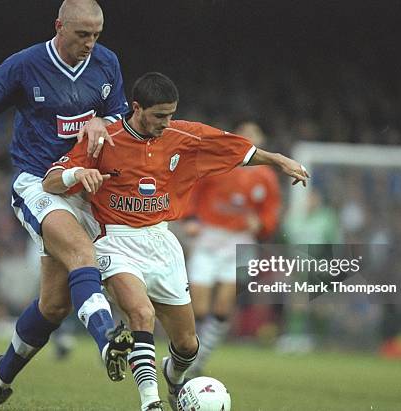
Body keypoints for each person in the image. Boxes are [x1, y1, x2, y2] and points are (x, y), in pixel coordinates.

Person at [42, 72, 309, 410]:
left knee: (186, 345)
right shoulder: (103, 139)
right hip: (115, 241)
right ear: (136, 108)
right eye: (159, 116)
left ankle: (175, 379)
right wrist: (77, 173)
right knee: (141, 314)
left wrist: (279, 160)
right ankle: (150, 402)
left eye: (170, 114)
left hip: (161, 242)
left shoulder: (183, 134)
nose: (166, 123)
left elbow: (237, 149)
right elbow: (51, 181)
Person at [0, 1, 134, 409]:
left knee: (53, 306)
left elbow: (120, 120)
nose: (90, 43)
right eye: (81, 34)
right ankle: (108, 338)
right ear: (59, 26)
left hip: (84, 186)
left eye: (96, 35)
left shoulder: (107, 63)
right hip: (38, 184)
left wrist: (101, 123)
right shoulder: (25, 65)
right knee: (81, 253)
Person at [183, 121, 282, 378]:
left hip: (240, 242)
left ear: (262, 140)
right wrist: (191, 219)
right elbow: (192, 191)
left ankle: (200, 359)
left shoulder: (267, 177)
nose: (249, 137)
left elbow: (270, 215)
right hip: (209, 237)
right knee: (199, 307)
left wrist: (261, 224)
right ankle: (190, 351)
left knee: (223, 308)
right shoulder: (218, 164)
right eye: (245, 133)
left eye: (254, 134)